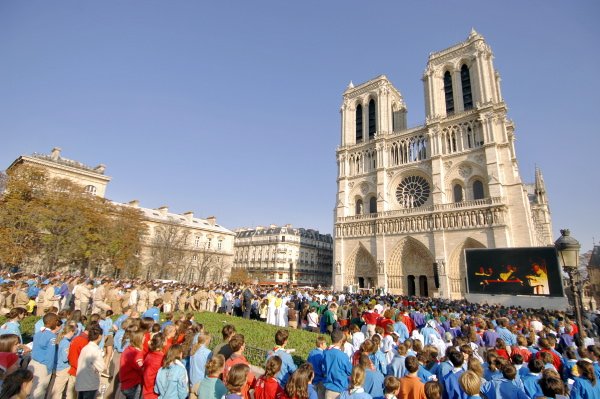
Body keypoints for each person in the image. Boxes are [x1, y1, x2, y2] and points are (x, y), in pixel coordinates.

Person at [28, 312, 60, 399]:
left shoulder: (38, 333)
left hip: (32, 363)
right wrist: (49, 369)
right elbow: (50, 354)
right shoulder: (51, 336)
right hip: (43, 366)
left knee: (29, 390)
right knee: (39, 392)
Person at [74, 325, 105, 399]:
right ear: (100, 336)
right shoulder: (95, 350)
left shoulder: (85, 347)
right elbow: (102, 367)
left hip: (81, 382)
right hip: (90, 384)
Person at [323, 329, 353, 399]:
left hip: (329, 389)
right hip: (340, 390)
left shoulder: (325, 353)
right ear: (340, 341)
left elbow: (323, 370)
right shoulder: (342, 355)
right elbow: (350, 371)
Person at [51, 323, 78, 399]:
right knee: (58, 390)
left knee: (56, 388)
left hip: (57, 366)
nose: (73, 335)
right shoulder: (66, 343)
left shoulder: (60, 339)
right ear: (70, 332)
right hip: (63, 368)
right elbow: (65, 358)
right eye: (74, 333)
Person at [119, 329, 145, 399]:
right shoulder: (136, 353)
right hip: (132, 384)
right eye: (143, 338)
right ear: (139, 340)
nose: (145, 340)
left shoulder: (128, 349)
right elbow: (142, 368)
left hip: (125, 383)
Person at [143, 333, 166, 399]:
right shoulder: (160, 358)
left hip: (146, 388)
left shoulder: (150, 354)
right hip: (153, 392)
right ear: (163, 343)